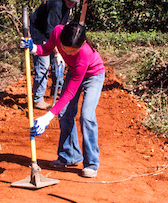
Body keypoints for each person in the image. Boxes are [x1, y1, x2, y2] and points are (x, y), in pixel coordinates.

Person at [21, 21, 105, 178]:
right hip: (74, 72)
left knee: (86, 116)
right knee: (65, 114)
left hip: (93, 75)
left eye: (73, 51)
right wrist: (32, 48)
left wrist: (47, 117)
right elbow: (46, 49)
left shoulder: (85, 53)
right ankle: (70, 155)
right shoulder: (58, 31)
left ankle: (91, 163)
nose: (69, 54)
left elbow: (70, 92)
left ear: (83, 44)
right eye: (66, 50)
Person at [28, 0, 83, 109]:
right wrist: (58, 52)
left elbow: (64, 23)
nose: (71, 3)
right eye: (69, 0)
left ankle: (57, 90)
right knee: (43, 63)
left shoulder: (69, 2)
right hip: (40, 31)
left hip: (54, 29)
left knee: (57, 63)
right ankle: (38, 99)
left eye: (74, 2)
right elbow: (50, 32)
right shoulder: (56, 5)